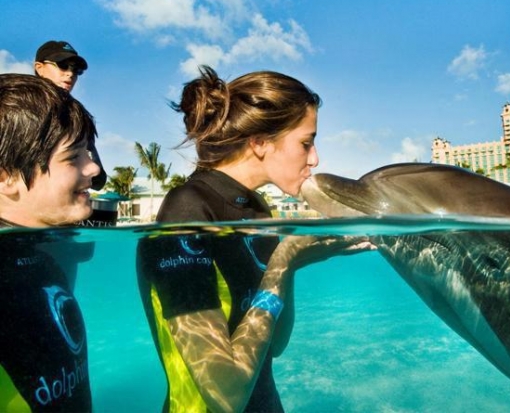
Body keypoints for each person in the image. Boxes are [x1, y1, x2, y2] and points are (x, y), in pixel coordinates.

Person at [137, 66, 366, 412]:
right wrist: (283, 262)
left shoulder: (258, 209)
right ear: (259, 142)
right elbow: (225, 395)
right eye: (306, 143)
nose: (315, 158)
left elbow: (276, 344)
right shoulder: (187, 208)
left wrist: (289, 267)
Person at [0, 73, 100, 411]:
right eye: (73, 157)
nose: (93, 168)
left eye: (88, 152)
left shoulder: (42, 262)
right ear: (5, 177)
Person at [34, 40, 107, 191]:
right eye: (63, 65)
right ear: (39, 68)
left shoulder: (77, 116)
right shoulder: (13, 106)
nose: (70, 73)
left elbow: (98, 180)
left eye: (76, 70)